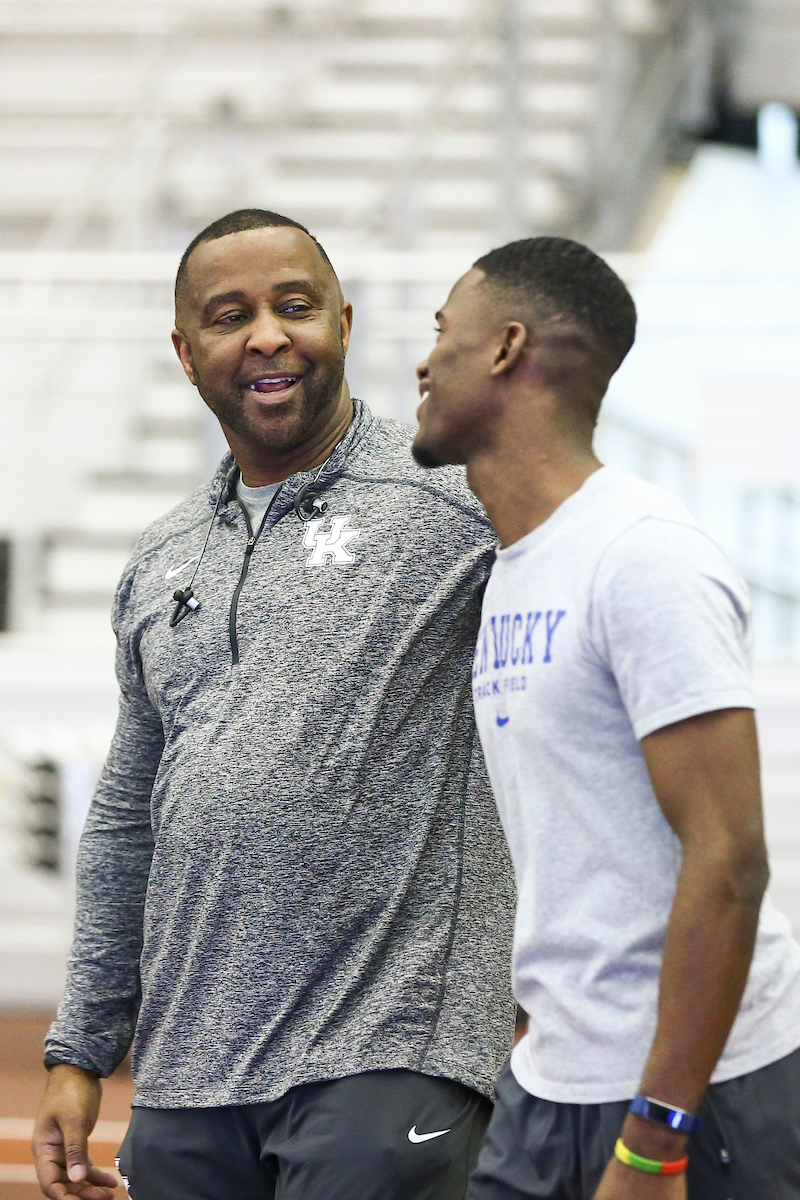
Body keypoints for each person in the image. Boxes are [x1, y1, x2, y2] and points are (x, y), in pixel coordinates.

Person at [32, 209, 516, 1200]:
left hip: (390, 1050)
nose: (266, 336)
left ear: (343, 324)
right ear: (185, 352)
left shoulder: (460, 502)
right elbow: (127, 819)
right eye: (229, 316)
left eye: (294, 307)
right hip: (189, 1076)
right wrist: (79, 1051)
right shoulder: (162, 558)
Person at [412, 236, 800, 1200]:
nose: (423, 363)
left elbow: (729, 859)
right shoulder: (516, 565)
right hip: (553, 1081)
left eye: (443, 333)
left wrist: (658, 1134)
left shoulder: (643, 555)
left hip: (702, 1095)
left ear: (505, 348)